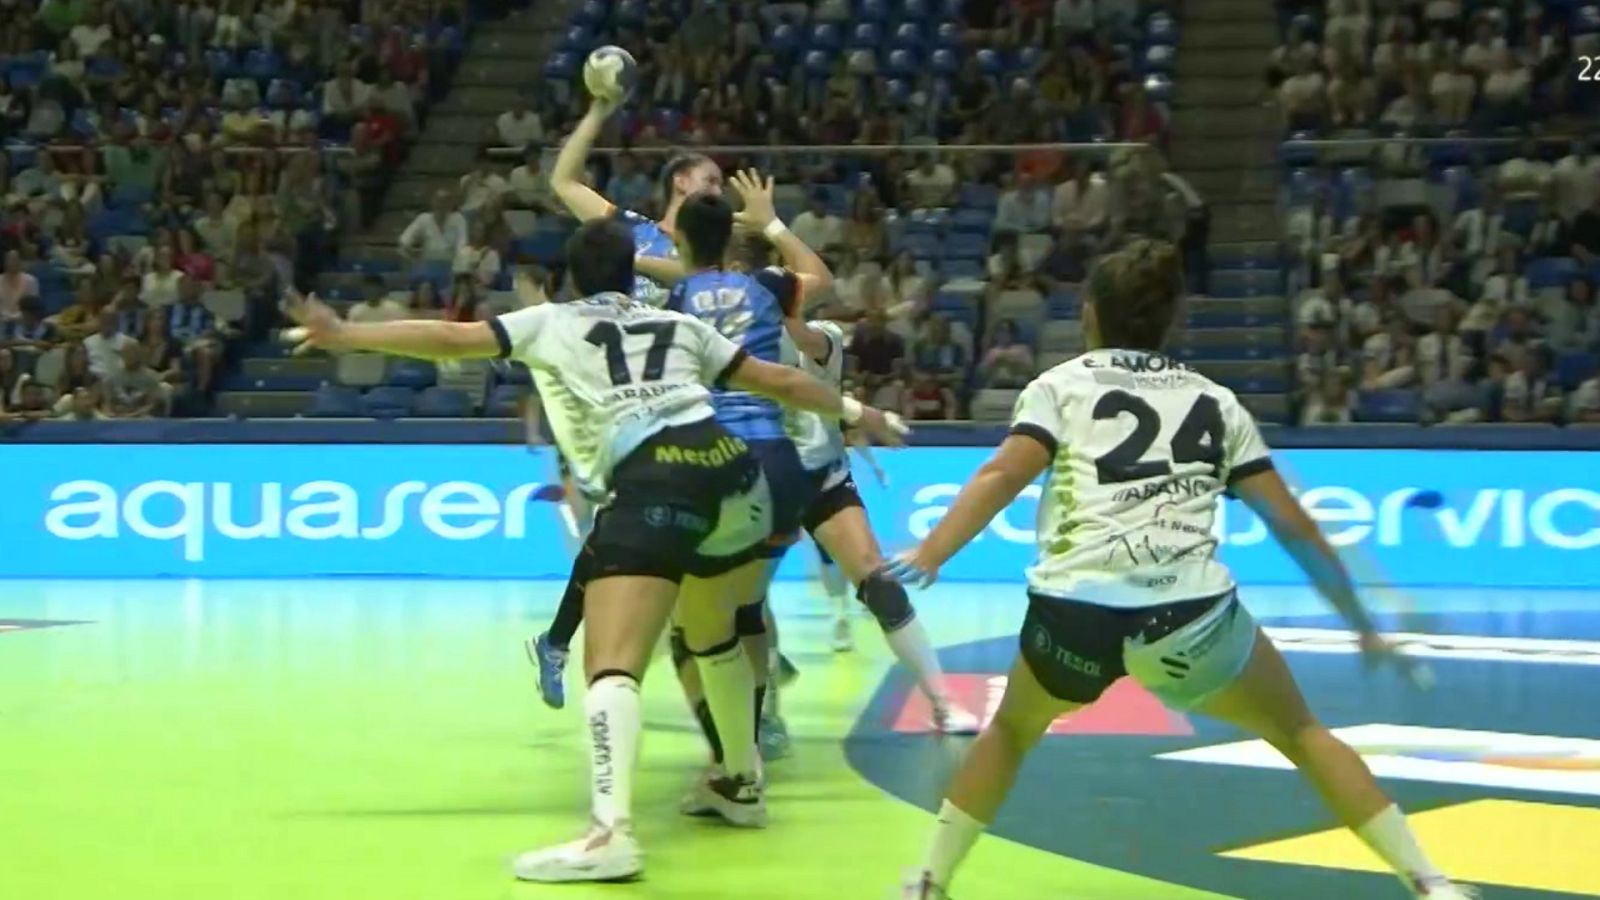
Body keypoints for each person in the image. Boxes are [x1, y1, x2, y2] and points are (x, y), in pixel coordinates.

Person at [281, 218, 906, 884]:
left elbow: (452, 339)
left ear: (572, 275)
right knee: (713, 632)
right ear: (631, 275)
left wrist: (344, 333)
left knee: (611, 664)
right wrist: (855, 413)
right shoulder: (677, 324)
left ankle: (611, 833)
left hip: (656, 477)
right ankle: (740, 783)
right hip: (734, 471)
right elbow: (778, 380)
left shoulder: (548, 321)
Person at [889, 239, 1475, 900]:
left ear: (1089, 317)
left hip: (1074, 615)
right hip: (1191, 620)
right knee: (1303, 733)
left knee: (1012, 731)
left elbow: (1002, 474)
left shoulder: (1060, 387)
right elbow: (1294, 526)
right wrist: (1363, 625)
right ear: (1173, 321)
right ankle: (1432, 884)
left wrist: (932, 551)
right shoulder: (1216, 402)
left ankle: (930, 881)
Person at [549, 94, 723, 306]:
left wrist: (630, 260)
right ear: (681, 182)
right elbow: (564, 182)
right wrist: (596, 114)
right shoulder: (631, 227)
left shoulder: (711, 248)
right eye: (710, 181)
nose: (718, 192)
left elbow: (696, 277)